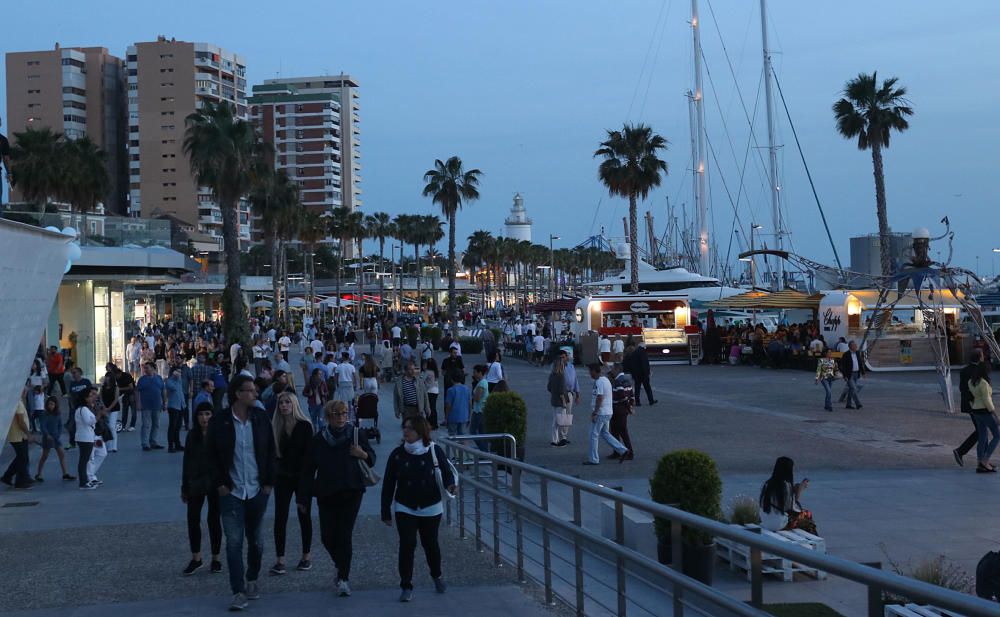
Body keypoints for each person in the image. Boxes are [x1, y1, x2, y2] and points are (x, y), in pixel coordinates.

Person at [207, 374, 277, 611]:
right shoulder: (220, 421)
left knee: (256, 541)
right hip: (232, 492)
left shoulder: (260, 417)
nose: (255, 394)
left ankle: (253, 578)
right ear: (238, 394)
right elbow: (212, 457)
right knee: (234, 543)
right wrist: (220, 484)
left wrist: (268, 484)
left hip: (257, 489)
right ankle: (238, 591)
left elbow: (270, 451)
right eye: (251, 391)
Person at [297, 400, 376, 597]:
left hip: (352, 490)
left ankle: (343, 578)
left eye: (343, 414)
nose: (341, 418)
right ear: (328, 417)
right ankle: (340, 564)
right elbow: (307, 471)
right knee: (327, 537)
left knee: (344, 535)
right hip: (326, 491)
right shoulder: (318, 439)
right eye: (336, 414)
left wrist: (363, 453)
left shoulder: (355, 434)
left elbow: (372, 459)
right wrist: (303, 498)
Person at [381, 416, 455, 602]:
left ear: (421, 431)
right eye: (404, 428)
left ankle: (436, 575)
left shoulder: (434, 450)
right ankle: (406, 585)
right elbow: (389, 483)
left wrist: (451, 485)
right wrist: (385, 511)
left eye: (411, 429)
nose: (406, 432)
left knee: (430, 544)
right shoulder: (397, 454)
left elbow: (447, 474)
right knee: (407, 545)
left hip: (430, 506)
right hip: (405, 506)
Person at [268, 392, 314, 576]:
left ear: (294, 404)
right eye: (281, 403)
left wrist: (306, 485)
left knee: (304, 515)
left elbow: (309, 459)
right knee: (280, 517)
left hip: (302, 477)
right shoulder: (275, 427)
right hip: (283, 477)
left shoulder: (305, 426)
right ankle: (280, 560)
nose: (284, 406)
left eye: (287, 402)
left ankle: (306, 556)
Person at [181, 402, 223, 576]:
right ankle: (196, 557)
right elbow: (186, 461)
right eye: (201, 415)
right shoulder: (192, 435)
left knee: (214, 520)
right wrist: (184, 486)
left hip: (215, 483)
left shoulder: (219, 435)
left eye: (207, 414)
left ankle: (216, 558)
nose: (204, 418)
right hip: (196, 483)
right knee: (193, 520)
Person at [583, 364, 628, 466]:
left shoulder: (600, 382)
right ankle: (623, 450)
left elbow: (600, 397)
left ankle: (594, 459)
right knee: (605, 433)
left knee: (593, 435)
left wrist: (595, 412)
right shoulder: (605, 380)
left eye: (590, 371)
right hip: (607, 412)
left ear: (595, 371)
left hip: (601, 412)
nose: (589, 373)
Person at [759, 456, 816, 534]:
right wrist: (799, 490)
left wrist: (793, 492)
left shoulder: (767, 484)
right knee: (807, 514)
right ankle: (812, 542)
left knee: (803, 518)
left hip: (765, 521)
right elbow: (791, 509)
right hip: (778, 524)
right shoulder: (786, 486)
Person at [954, 349, 986, 467]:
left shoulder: (964, 370)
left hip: (968, 404)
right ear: (979, 357)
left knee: (982, 431)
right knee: (981, 431)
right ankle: (961, 451)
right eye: (982, 355)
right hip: (977, 405)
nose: (984, 357)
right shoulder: (979, 371)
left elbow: (962, 388)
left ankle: (983, 460)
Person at [35, 396, 74, 482]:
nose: (50, 406)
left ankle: (65, 474)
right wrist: (47, 434)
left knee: (62, 455)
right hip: (48, 438)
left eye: (52, 404)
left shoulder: (57, 414)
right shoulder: (44, 414)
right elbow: (43, 426)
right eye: (49, 404)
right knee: (44, 456)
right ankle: (39, 474)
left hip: (56, 437)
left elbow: (60, 425)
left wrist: (58, 434)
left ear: (56, 405)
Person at [969, 362, 999, 473]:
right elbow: (987, 401)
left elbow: (973, 397)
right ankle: (985, 461)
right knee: (997, 435)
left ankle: (979, 463)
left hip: (976, 411)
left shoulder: (971, 382)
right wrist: (996, 416)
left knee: (982, 437)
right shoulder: (984, 383)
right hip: (985, 412)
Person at [2, 388, 33, 489]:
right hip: (18, 436)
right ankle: (20, 482)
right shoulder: (17, 404)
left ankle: (8, 476)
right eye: (24, 390)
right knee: (23, 458)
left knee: (21, 457)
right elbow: (20, 422)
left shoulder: (17, 402)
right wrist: (28, 434)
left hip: (19, 435)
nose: (25, 392)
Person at [136, 362, 166, 451]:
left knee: (156, 424)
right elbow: (137, 391)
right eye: (145, 368)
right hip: (146, 405)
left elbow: (163, 390)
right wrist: (138, 403)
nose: (145, 370)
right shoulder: (142, 379)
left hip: (157, 405)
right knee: (146, 425)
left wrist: (165, 402)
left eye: (147, 368)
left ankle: (153, 441)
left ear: (153, 368)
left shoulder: (159, 378)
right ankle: (145, 443)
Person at [74, 387, 100, 490]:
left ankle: (85, 480)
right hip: (85, 437)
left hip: (85, 437)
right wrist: (98, 416)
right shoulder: (83, 409)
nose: (91, 398)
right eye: (89, 396)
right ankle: (83, 482)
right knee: (84, 460)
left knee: (84, 460)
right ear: (85, 398)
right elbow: (89, 422)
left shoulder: (81, 409)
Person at [608, 364, 634, 461]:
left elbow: (622, 396)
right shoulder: (627, 380)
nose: (612, 371)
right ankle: (618, 451)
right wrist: (630, 405)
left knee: (620, 431)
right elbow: (631, 394)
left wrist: (628, 407)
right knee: (618, 430)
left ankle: (627, 452)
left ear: (617, 369)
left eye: (613, 369)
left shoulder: (618, 381)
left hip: (618, 408)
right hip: (623, 409)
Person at [547, 357, 570, 447]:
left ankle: (555, 439)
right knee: (561, 421)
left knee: (555, 421)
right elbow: (562, 390)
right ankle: (559, 439)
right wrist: (564, 402)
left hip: (554, 399)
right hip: (560, 401)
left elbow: (548, 387)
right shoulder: (561, 376)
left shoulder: (552, 375)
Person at [444, 369, 471, 437]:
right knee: (462, 437)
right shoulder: (467, 389)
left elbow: (448, 405)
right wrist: (469, 416)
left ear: (452, 379)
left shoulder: (450, 390)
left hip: (453, 417)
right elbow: (470, 404)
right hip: (464, 416)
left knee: (452, 436)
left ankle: (453, 448)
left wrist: (446, 417)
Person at [838, 341, 865, 409]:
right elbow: (841, 366)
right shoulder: (846, 354)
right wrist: (844, 375)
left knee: (851, 389)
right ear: (850, 346)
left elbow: (860, 363)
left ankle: (848, 404)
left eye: (856, 345)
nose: (856, 346)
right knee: (853, 388)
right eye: (854, 345)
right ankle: (858, 403)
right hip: (849, 374)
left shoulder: (857, 353)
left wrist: (863, 372)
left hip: (856, 374)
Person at [166, 368, 187, 453]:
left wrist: (184, 404)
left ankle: (177, 444)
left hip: (180, 406)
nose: (179, 374)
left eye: (180, 372)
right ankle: (170, 446)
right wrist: (175, 377)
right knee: (172, 426)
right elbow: (173, 388)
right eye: (177, 372)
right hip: (173, 406)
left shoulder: (179, 380)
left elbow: (180, 392)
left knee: (178, 427)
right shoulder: (169, 381)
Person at [630, 342, 656, 406]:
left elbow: (632, 364)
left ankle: (637, 402)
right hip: (643, 374)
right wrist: (647, 372)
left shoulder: (634, 352)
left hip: (636, 373)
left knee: (637, 388)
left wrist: (633, 373)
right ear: (643, 347)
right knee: (647, 387)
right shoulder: (643, 352)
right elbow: (645, 363)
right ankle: (651, 400)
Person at [470, 365, 489, 450]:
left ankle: (483, 449)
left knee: (473, 431)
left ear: (480, 373)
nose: (474, 374)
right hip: (481, 409)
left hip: (479, 410)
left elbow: (477, 398)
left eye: (475, 372)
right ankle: (483, 450)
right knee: (482, 431)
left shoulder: (482, 383)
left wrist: (472, 396)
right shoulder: (482, 382)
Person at [116, 363, 137, 433]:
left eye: (117, 376)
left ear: (120, 373)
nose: (116, 377)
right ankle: (123, 425)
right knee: (124, 411)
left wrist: (120, 389)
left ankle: (132, 426)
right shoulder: (117, 378)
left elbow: (131, 387)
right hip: (125, 395)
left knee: (133, 410)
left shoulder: (126, 376)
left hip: (131, 394)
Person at [421, 358, 440, 429]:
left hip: (429, 391)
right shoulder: (435, 371)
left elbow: (422, 381)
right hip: (436, 390)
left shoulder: (428, 372)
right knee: (433, 407)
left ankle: (429, 423)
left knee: (429, 408)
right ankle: (435, 423)